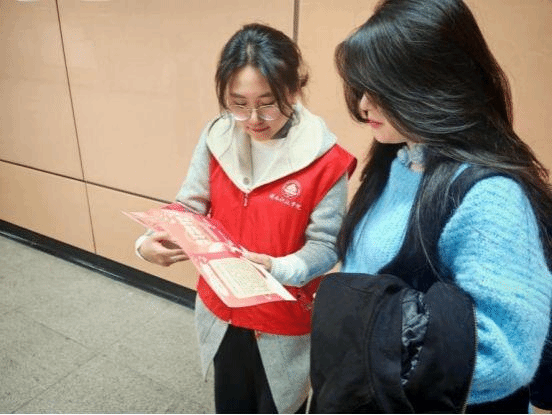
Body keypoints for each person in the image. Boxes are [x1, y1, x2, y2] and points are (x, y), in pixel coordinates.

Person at [331, 0, 552, 412]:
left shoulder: (489, 197)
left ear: (432, 85)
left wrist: (365, 347)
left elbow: (504, 354)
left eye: (380, 90)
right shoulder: (397, 161)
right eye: (361, 88)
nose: (363, 105)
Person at [135, 23, 356, 413]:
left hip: (284, 316)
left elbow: (325, 247)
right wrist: (148, 242)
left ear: (294, 89)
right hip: (223, 307)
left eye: (268, 103)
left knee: (279, 404)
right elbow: (189, 206)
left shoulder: (326, 161)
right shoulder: (217, 136)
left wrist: (277, 267)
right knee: (231, 402)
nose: (254, 118)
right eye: (238, 104)